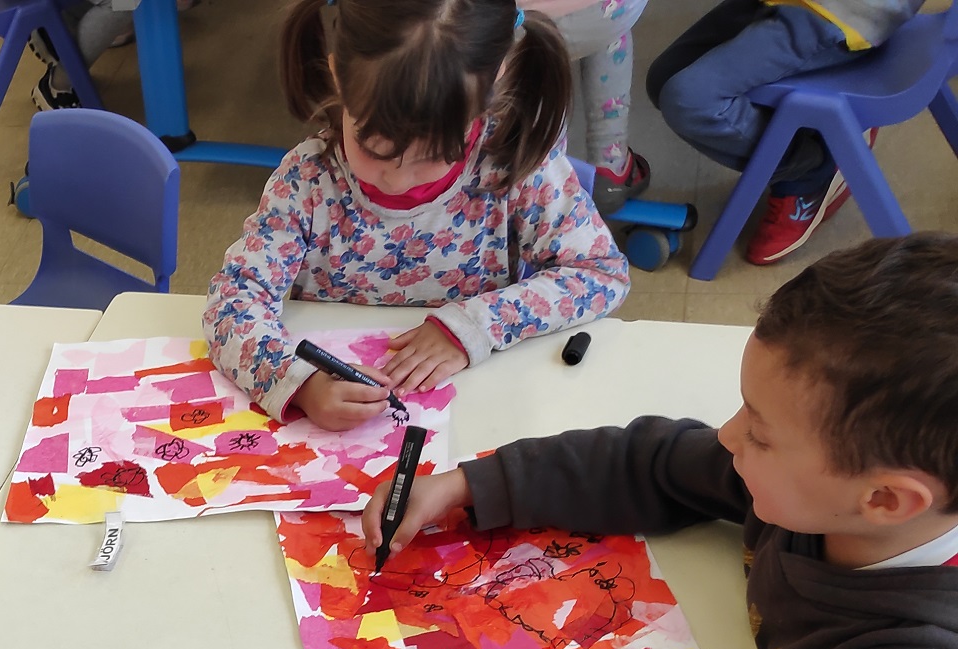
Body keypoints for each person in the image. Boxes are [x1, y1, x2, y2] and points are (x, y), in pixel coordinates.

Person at [361, 232, 958, 649]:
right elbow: (651, 463)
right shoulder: (826, 494)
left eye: (759, 433)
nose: (727, 436)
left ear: (885, 500)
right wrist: (469, 485)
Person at [206, 0, 628, 433]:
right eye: (372, 148)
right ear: (337, 75)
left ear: (494, 81)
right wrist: (299, 383)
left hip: (477, 412)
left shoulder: (516, 169)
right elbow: (232, 304)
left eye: (432, 156)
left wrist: (473, 326)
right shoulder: (306, 181)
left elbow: (600, 274)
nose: (396, 178)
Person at [647, 0, 922, 267]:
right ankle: (815, 133)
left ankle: (813, 168)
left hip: (839, 13)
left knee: (689, 101)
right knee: (663, 77)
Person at [533, 0, 652, 212]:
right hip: (611, 9)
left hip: (517, 19)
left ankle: (549, 179)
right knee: (606, 27)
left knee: (533, 54)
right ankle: (610, 164)